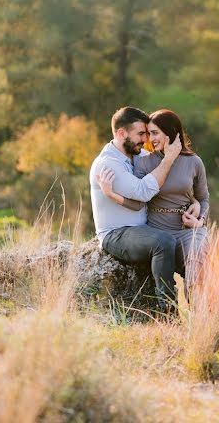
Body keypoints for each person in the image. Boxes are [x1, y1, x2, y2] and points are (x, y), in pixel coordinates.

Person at [89, 106, 198, 312]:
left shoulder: (138, 156)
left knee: (193, 252)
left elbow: (170, 183)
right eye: (141, 133)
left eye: (148, 134)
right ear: (122, 134)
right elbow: (143, 192)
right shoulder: (107, 164)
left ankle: (208, 308)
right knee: (164, 242)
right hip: (117, 233)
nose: (145, 139)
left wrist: (196, 202)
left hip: (145, 228)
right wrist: (167, 159)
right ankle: (167, 309)